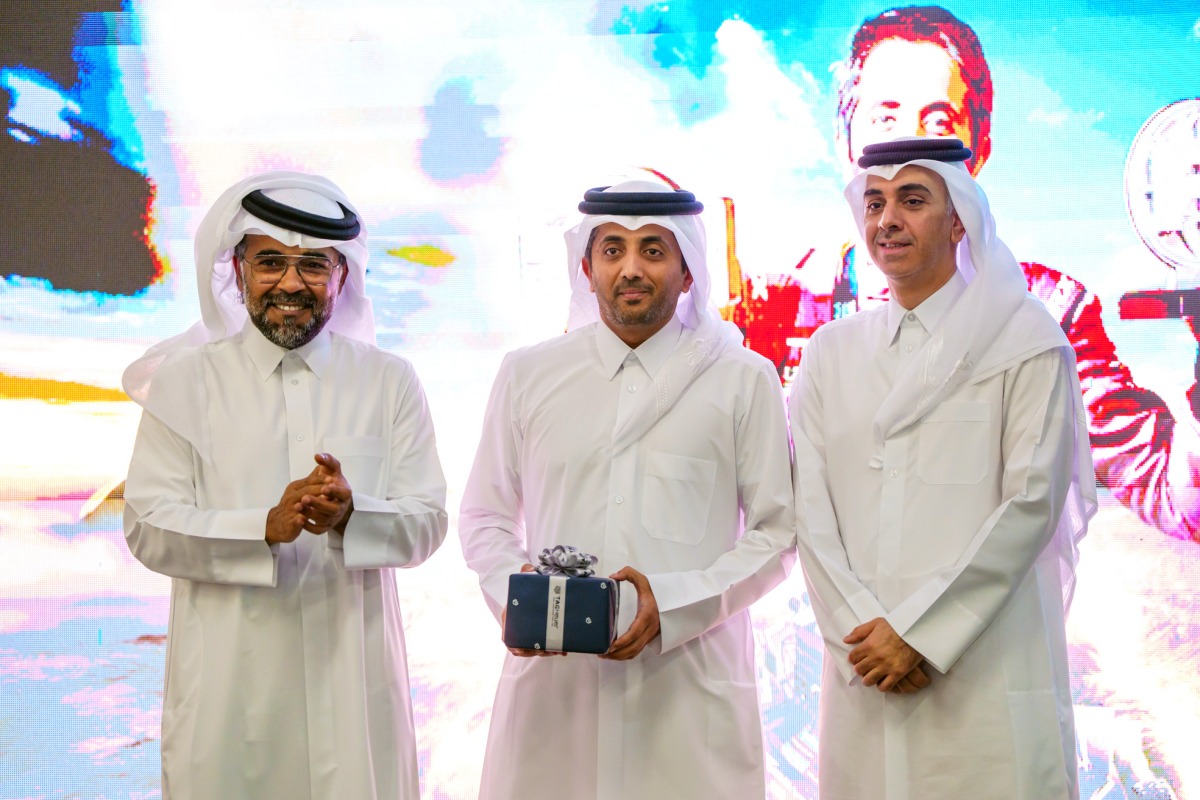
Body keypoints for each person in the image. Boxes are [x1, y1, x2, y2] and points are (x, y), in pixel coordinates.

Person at [731, 4, 1200, 543]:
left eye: (939, 123)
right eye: (885, 120)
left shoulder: (1048, 312)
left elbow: (1176, 496)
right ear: (844, 144)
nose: (908, 149)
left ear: (978, 153)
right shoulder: (777, 310)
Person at [458, 178, 796, 799]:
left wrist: (673, 605)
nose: (631, 268)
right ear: (587, 270)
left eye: (654, 250)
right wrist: (518, 599)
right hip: (555, 694)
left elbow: (778, 533)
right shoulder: (529, 374)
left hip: (685, 689)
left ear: (689, 272)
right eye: (612, 249)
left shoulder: (742, 379)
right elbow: (485, 516)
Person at [121, 171, 448, 799]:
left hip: (352, 693)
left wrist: (354, 515)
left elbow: (428, 521)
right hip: (229, 698)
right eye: (270, 262)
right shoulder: (187, 382)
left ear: (342, 277)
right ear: (238, 270)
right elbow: (148, 525)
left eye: (313, 265)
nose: (291, 284)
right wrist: (261, 528)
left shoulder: (389, 381)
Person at [789, 135, 1096, 798]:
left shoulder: (1024, 340)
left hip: (985, 669)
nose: (887, 220)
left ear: (960, 220)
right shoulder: (830, 354)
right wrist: (867, 637)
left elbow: (1032, 504)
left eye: (912, 200)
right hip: (866, 670)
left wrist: (920, 635)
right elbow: (809, 514)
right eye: (875, 203)